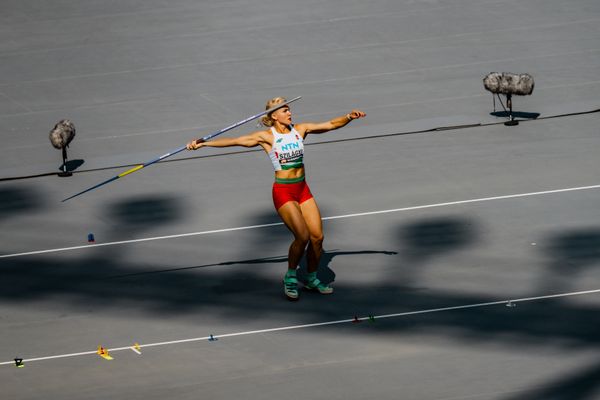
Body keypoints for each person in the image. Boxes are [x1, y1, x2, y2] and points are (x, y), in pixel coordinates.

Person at [187, 97, 366, 300]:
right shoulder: (267, 137)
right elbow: (235, 141)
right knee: (302, 236)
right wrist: (204, 144)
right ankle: (290, 277)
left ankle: (311, 278)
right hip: (284, 192)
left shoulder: (300, 129)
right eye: (285, 110)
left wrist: (349, 117)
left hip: (302, 189)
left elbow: (331, 125)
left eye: (289, 109)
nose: (289, 113)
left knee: (317, 238)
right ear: (274, 116)